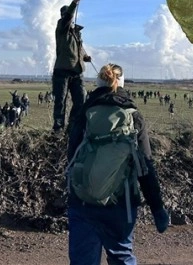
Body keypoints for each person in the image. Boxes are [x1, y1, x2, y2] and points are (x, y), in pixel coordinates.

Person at [67, 63, 169, 265]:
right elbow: (145, 167)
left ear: (97, 84)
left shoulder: (84, 113)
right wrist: (157, 208)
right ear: (121, 83)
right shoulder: (133, 116)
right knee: (122, 257)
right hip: (121, 204)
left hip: (83, 201)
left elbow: (72, 158)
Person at [52, 0, 92, 133]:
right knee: (60, 101)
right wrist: (75, 1)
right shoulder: (62, 29)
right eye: (65, 16)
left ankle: (73, 127)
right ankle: (58, 129)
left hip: (77, 71)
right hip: (62, 71)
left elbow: (79, 50)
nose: (69, 19)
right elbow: (68, 15)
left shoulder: (76, 34)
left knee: (81, 101)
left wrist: (85, 57)